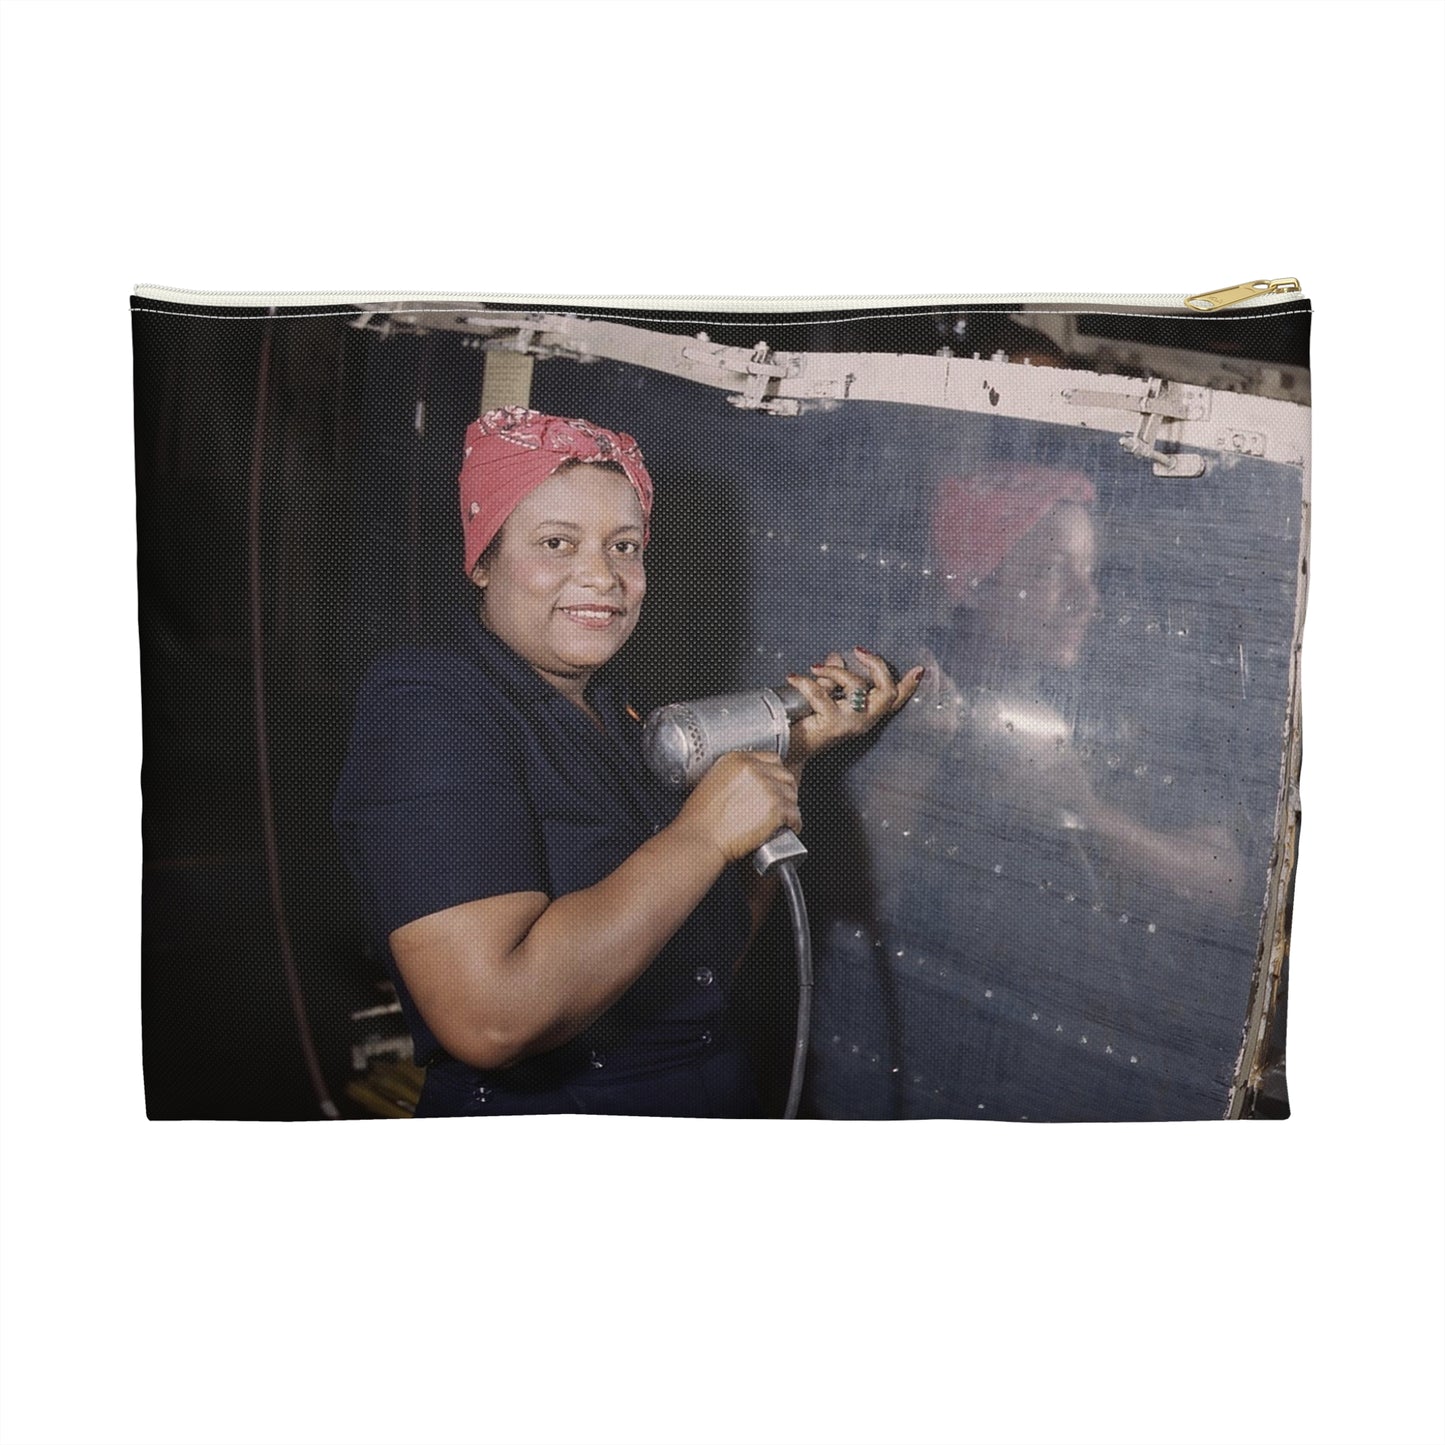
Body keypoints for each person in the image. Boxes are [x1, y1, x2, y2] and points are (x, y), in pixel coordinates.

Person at [333, 406, 923, 1117]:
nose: (602, 576)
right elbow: (490, 1017)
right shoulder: (427, 702)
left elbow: (704, 964)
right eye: (556, 542)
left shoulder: (625, 719)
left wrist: (789, 759)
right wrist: (702, 833)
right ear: (482, 559)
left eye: (624, 546)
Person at [814, 461, 1249, 1120]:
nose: (1085, 598)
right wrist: (920, 750)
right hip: (925, 1065)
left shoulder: (1113, 706)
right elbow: (853, 910)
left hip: (1089, 1067)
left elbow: (1226, 887)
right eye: (1049, 571)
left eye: (1089, 572)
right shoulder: (898, 697)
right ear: (974, 587)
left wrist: (1087, 814)